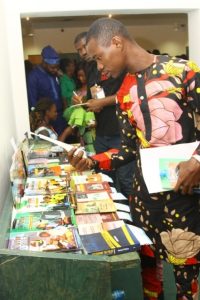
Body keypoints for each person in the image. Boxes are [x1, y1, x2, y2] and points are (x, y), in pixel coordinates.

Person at [68, 18, 200, 299]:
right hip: (145, 204)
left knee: (186, 283)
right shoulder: (125, 91)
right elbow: (126, 150)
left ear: (116, 42)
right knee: (150, 278)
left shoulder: (184, 72)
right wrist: (92, 161)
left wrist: (197, 161)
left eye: (99, 58)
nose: (99, 67)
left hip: (184, 201)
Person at [73, 31, 135, 197]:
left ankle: (130, 217)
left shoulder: (119, 66)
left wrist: (101, 102)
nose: (83, 53)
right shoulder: (91, 67)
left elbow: (127, 94)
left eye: (84, 48)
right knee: (105, 178)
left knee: (126, 179)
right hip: (101, 132)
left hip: (120, 132)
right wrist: (85, 104)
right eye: (79, 51)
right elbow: (94, 95)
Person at [27, 45, 66, 135]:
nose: (55, 69)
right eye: (52, 67)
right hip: (45, 118)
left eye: (57, 67)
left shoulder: (55, 74)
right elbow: (33, 101)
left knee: (62, 141)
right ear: (44, 63)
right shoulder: (34, 76)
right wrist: (39, 121)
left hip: (59, 116)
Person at [62, 62, 96, 153]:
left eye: (83, 76)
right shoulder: (77, 91)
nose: (81, 78)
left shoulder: (95, 89)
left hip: (93, 129)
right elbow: (69, 113)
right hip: (81, 131)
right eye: (79, 76)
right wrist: (74, 105)